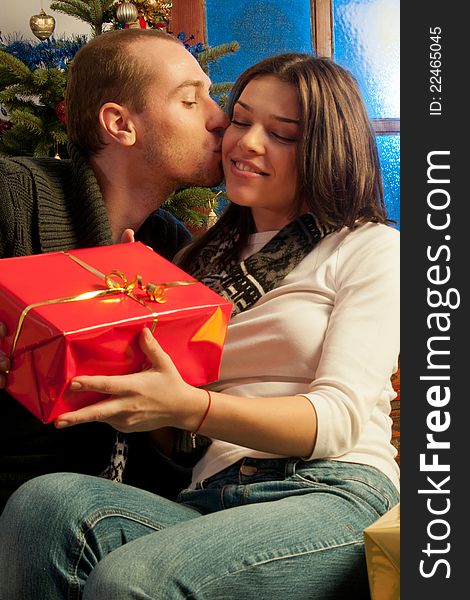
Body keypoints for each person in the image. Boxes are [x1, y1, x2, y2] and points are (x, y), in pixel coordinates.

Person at [0, 53, 399, 599]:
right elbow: (178, 436)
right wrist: (111, 354)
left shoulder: (369, 247)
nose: (245, 142)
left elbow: (335, 422)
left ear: (326, 149)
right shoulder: (189, 261)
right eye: (240, 119)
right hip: (210, 499)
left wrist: (188, 406)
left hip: (328, 491)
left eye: (281, 133)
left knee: (133, 578)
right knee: (42, 505)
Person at [0, 28, 228, 513]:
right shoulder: (14, 196)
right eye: (190, 101)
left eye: (211, 96)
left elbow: (183, 448)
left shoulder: (173, 250)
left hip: (115, 526)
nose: (220, 119)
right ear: (120, 125)